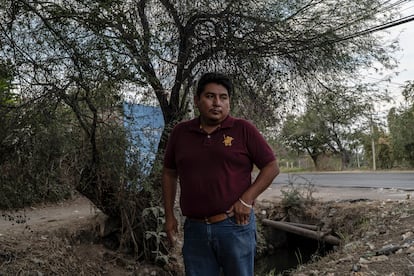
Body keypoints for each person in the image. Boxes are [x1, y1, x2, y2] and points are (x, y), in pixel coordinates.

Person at [162, 72, 279, 276]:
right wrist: (169, 215)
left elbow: (271, 167)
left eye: (223, 97)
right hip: (195, 229)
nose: (217, 103)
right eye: (210, 96)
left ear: (229, 102)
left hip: (235, 226)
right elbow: (169, 173)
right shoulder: (181, 133)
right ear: (197, 100)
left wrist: (246, 200)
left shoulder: (243, 130)